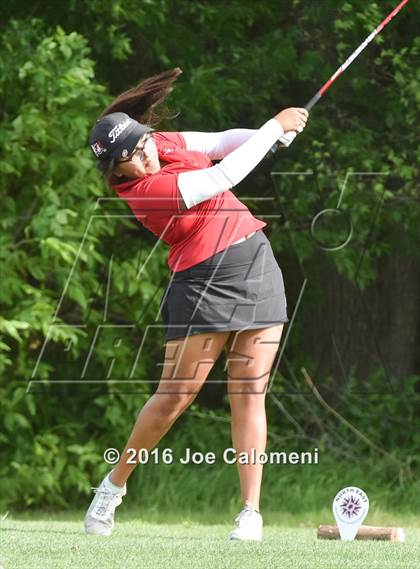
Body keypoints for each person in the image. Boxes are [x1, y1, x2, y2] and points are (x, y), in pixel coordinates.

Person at [85, 68, 309, 541]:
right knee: (175, 397)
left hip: (255, 263)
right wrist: (273, 127)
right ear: (118, 169)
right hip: (202, 281)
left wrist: (269, 137)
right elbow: (221, 176)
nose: (149, 152)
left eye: (146, 143)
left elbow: (222, 143)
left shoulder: (157, 145)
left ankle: (251, 513)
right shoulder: (145, 193)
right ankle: (111, 488)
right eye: (136, 154)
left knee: (249, 392)